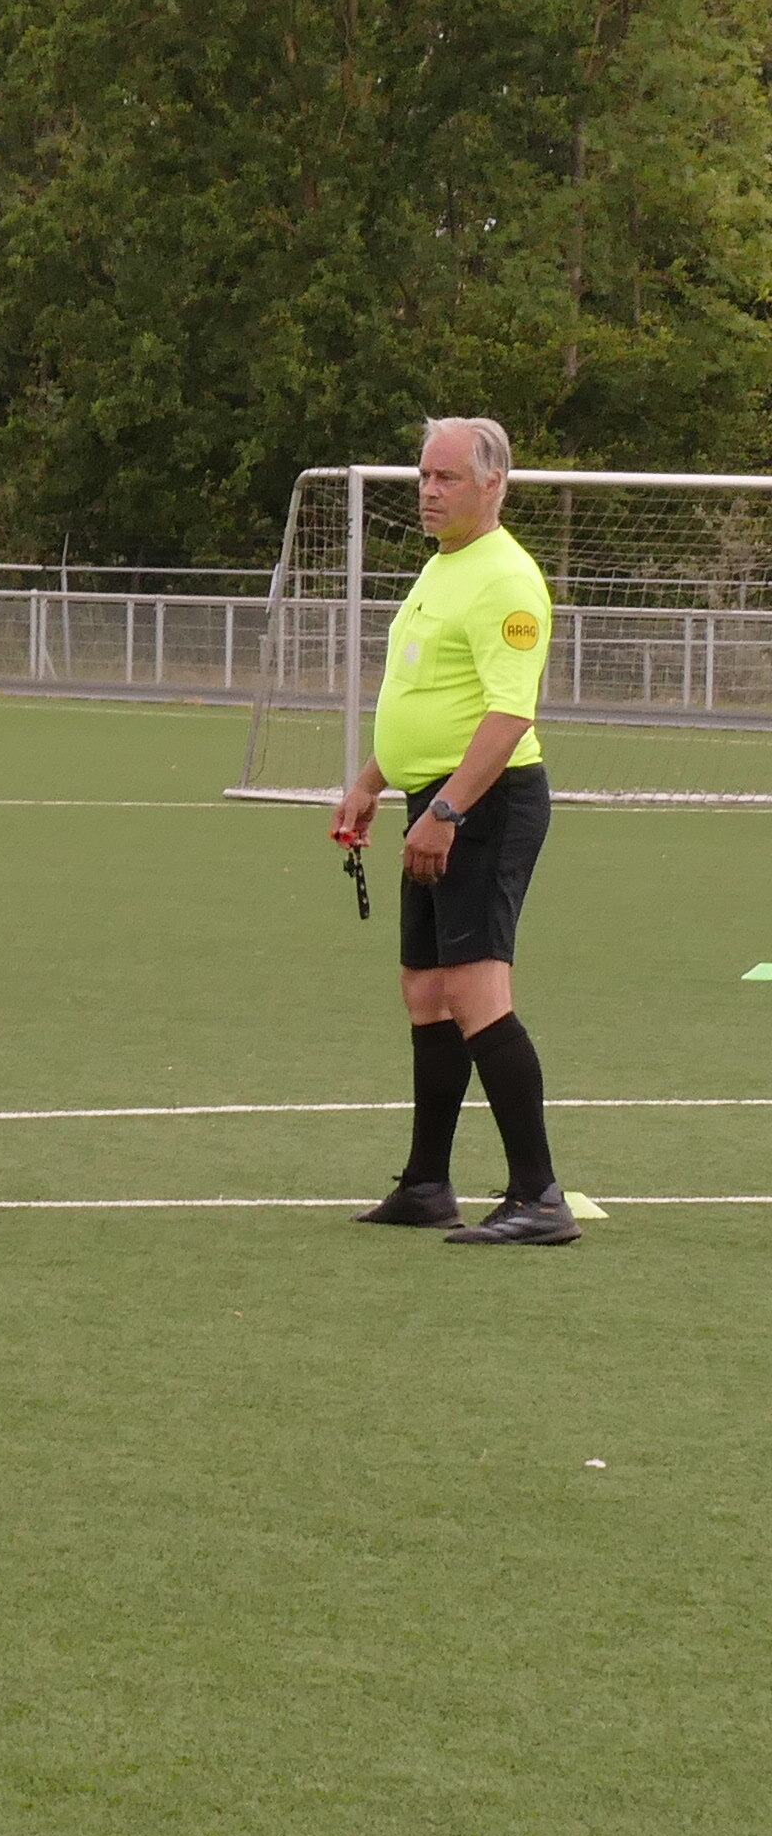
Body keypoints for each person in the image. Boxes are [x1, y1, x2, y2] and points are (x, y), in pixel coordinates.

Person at [329, 415, 581, 1246]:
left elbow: (509, 715)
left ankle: (539, 1197)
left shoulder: (506, 579)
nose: (429, 492)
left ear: (492, 485)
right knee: (427, 992)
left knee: (475, 994)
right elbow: (426, 698)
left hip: (485, 804)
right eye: (424, 477)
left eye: (447, 479)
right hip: (433, 799)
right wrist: (371, 783)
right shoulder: (444, 565)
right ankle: (428, 1185)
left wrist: (447, 812)